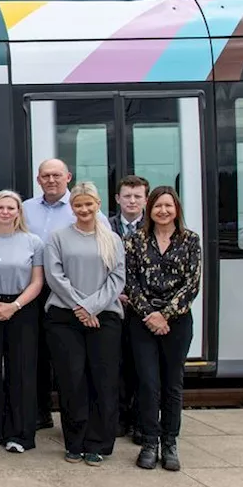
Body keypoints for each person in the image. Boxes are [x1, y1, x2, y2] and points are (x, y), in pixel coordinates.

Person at [44, 181, 126, 466]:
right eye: (78, 205)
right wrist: (79, 306)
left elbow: (117, 278)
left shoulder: (112, 239)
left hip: (104, 317)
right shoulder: (57, 237)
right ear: (72, 207)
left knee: (103, 381)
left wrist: (91, 306)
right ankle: (75, 442)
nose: (83, 209)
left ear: (98, 205)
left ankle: (98, 443)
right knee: (72, 379)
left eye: (88, 204)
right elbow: (54, 276)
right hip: (65, 318)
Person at [124, 187, 201, 471]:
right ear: (150, 209)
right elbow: (130, 283)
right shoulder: (134, 241)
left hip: (177, 322)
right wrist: (150, 315)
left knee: (172, 385)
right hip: (142, 322)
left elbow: (192, 285)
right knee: (147, 384)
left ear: (176, 209)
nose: (163, 211)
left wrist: (165, 315)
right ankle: (149, 441)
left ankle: (170, 443)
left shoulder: (190, 241)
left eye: (168, 206)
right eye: (158, 206)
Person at [0, 190, 45, 454]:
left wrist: (14, 306)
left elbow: (38, 281)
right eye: (0, 207)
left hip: (22, 309)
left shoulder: (33, 242)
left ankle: (20, 434)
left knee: (21, 371)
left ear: (19, 212)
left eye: (10, 208)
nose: (5, 212)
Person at [23, 158, 80, 431]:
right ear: (38, 180)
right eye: (45, 176)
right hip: (32, 288)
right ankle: (39, 411)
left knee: (66, 354)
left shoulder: (80, 207)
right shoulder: (26, 209)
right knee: (35, 352)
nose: (51, 180)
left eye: (57, 175)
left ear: (68, 177)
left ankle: (74, 417)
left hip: (69, 290)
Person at [111, 175, 150, 443]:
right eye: (127, 196)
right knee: (116, 364)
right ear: (118, 199)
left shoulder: (155, 225)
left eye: (137, 196)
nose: (132, 201)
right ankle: (120, 417)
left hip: (143, 309)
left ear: (146, 199)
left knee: (142, 366)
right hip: (113, 305)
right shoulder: (106, 225)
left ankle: (141, 420)